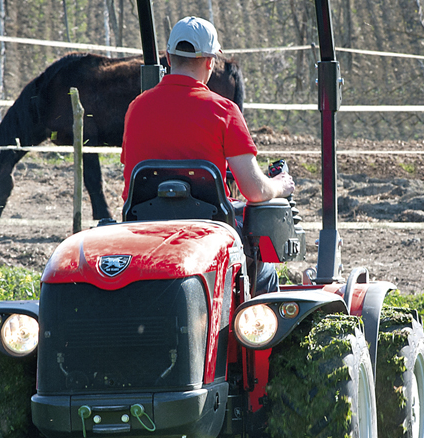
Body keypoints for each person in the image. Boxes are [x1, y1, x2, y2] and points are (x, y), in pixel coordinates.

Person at [121, 16, 294, 293]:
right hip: (209, 241)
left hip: (147, 240)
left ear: (168, 57)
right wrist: (281, 185)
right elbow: (255, 190)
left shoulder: (136, 109)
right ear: (210, 62)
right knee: (266, 268)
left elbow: (132, 181)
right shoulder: (223, 111)